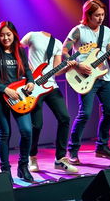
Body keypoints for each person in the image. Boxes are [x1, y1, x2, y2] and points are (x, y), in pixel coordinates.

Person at [62, 0, 110, 164]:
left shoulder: (107, 31)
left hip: (105, 76)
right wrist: (78, 64)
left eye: (102, 15)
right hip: (85, 76)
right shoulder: (78, 30)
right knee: (85, 114)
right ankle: (73, 150)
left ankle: (102, 147)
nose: (100, 18)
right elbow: (65, 51)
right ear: (88, 15)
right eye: (97, 15)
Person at [0, 21, 35, 182]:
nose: (5, 38)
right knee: (5, 134)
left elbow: (27, 70)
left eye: (8, 34)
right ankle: (5, 171)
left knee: (27, 131)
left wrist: (31, 81)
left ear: (14, 35)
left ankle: (23, 166)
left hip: (19, 98)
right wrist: (5, 89)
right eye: (2, 35)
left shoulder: (20, 50)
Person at [21, 31, 78, 173]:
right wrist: (28, 70)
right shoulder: (32, 36)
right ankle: (32, 156)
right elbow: (17, 51)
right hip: (34, 85)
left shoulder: (57, 43)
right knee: (37, 125)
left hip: (51, 85)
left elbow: (56, 69)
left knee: (65, 118)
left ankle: (60, 159)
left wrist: (67, 67)